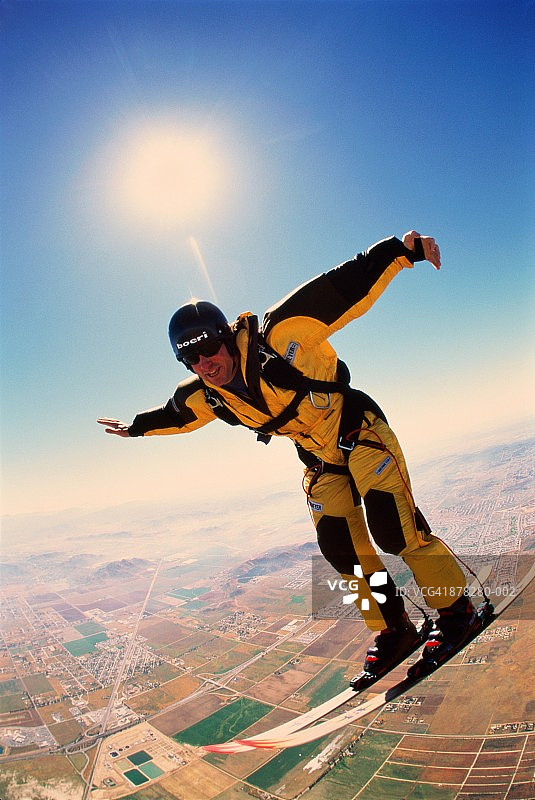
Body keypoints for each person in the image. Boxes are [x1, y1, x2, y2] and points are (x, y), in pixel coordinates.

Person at [98, 230, 479, 683]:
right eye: (190, 358)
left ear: (225, 336)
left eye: (207, 346)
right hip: (320, 457)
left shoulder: (281, 334)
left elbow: (346, 285)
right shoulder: (209, 397)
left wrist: (402, 250)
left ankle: (457, 611)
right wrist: (137, 426)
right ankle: (395, 628)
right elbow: (175, 416)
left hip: (359, 429)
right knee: (340, 548)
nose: (204, 362)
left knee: (393, 529)